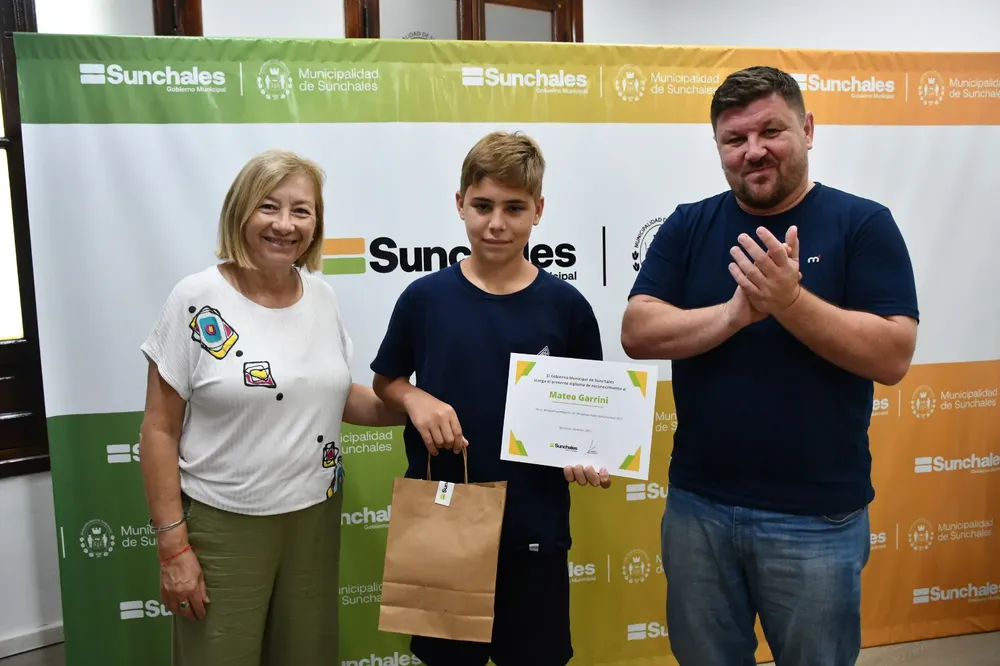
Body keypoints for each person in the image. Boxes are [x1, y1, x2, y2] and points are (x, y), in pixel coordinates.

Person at [621, 66, 919, 666]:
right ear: (719, 148)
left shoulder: (862, 224)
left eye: (771, 131)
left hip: (817, 518)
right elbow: (638, 330)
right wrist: (734, 315)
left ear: (807, 129)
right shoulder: (688, 225)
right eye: (735, 139)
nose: (753, 150)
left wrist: (789, 301)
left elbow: (892, 356)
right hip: (697, 508)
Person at [138, 149, 404, 666]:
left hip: (314, 516)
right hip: (224, 524)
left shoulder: (321, 297)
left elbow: (337, 395)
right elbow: (159, 430)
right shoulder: (196, 299)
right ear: (241, 211)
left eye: (301, 211)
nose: (286, 224)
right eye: (269, 207)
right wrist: (173, 549)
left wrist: (417, 402)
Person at [370, 131, 611, 666]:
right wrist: (414, 398)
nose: (496, 223)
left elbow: (589, 413)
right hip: (445, 519)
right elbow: (386, 382)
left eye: (514, 208)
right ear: (460, 205)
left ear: (538, 211)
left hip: (534, 525)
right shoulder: (424, 299)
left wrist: (590, 453)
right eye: (482, 206)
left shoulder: (567, 308)